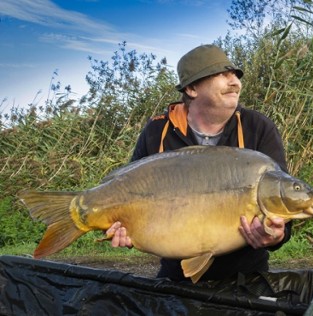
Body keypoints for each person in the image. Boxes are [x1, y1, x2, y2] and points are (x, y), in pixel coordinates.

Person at [105, 44, 292, 282]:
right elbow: (127, 193)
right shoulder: (157, 131)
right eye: (223, 75)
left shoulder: (258, 128)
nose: (235, 81)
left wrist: (277, 235)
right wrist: (124, 227)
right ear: (192, 88)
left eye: (235, 74)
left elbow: (281, 202)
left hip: (247, 276)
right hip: (175, 275)